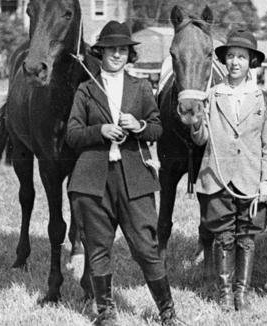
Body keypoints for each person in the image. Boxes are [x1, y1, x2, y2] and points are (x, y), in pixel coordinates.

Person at [66, 21, 178, 326]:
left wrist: (138, 126)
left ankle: (167, 310)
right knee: (98, 248)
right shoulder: (86, 89)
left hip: (135, 179)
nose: (117, 54)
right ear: (100, 53)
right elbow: (72, 135)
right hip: (93, 181)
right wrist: (100, 130)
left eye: (123, 49)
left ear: (129, 54)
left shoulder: (141, 87)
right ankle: (105, 312)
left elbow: (157, 128)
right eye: (111, 49)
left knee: (146, 247)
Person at [190, 29, 267, 312]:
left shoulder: (263, 98)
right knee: (224, 236)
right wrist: (195, 123)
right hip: (217, 177)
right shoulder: (212, 96)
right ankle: (225, 293)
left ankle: (243, 292)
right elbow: (202, 139)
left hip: (250, 179)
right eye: (230, 56)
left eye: (241, 56)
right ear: (224, 61)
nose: (235, 62)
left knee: (247, 237)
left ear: (251, 61)